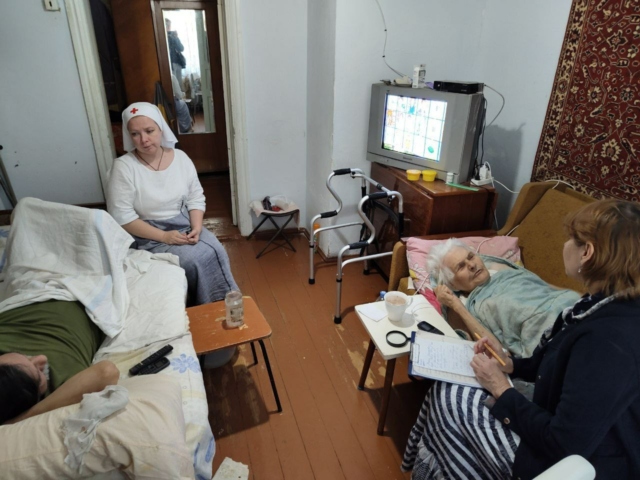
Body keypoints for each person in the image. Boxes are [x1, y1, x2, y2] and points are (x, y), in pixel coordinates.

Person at [404, 199, 640, 479]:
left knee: (447, 397)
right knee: (447, 392)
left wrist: (503, 389)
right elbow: (553, 355)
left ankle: (429, 468)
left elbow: (563, 444)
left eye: (571, 239)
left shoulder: (606, 343)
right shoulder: (596, 304)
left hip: (569, 466)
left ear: (586, 252)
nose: (473, 265)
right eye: (461, 267)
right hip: (561, 429)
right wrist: (513, 366)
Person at [107, 102, 238, 305]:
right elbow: (122, 217)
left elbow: (195, 197)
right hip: (147, 235)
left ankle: (225, 304)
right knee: (194, 260)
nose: (144, 139)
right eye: (135, 134)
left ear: (161, 128)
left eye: (149, 131)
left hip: (184, 224)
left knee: (217, 250)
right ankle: (209, 308)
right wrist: (164, 236)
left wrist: (196, 227)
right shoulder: (123, 167)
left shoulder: (181, 158)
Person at [427, 238, 580, 357]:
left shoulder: (498, 268)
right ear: (452, 284)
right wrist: (455, 305)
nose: (472, 265)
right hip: (552, 330)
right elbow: (497, 352)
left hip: (574, 307)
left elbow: (545, 287)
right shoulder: (464, 305)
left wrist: (585, 299)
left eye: (471, 257)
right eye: (460, 266)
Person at [0, 300, 119, 425]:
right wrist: (20, 420)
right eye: (39, 371)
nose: (42, 358)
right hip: (79, 302)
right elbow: (106, 372)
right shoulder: (62, 390)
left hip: (25, 304)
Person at [165, 18, 186, 85]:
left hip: (176, 62)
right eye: (168, 25)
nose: (169, 27)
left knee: (178, 84)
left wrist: (176, 37)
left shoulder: (173, 36)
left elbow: (181, 48)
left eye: (169, 25)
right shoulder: (164, 37)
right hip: (172, 63)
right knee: (175, 84)